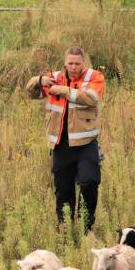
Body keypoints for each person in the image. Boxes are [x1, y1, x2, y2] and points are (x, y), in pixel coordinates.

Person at [26, 46, 105, 236]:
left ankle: (87, 228)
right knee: (63, 190)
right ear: (65, 63)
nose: (74, 67)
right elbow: (31, 93)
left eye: (77, 63)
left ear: (83, 63)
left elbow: (91, 99)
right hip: (61, 144)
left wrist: (63, 90)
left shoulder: (94, 77)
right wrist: (38, 80)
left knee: (89, 182)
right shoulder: (54, 76)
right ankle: (65, 229)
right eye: (70, 63)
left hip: (86, 144)